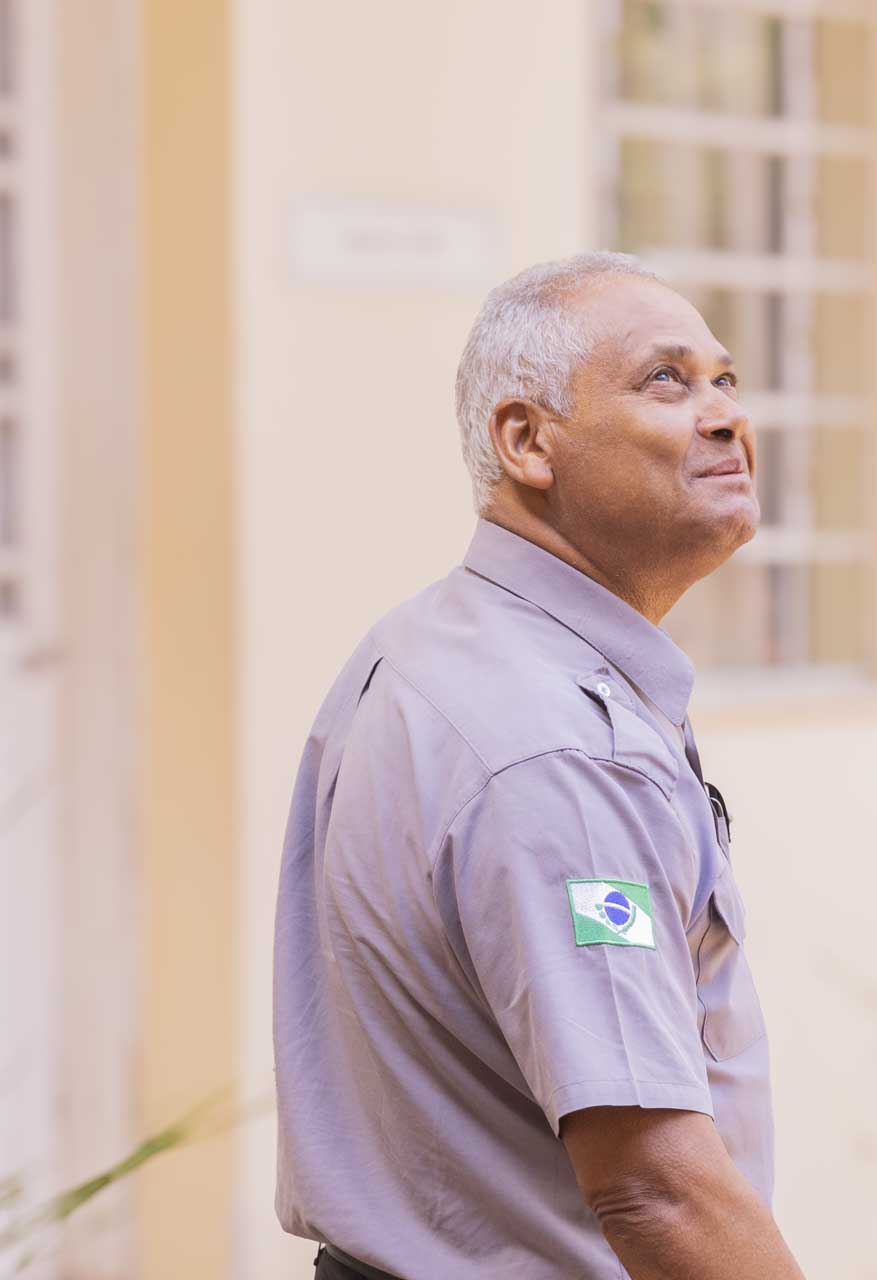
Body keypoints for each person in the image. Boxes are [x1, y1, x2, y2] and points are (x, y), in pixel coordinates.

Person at [271, 252, 805, 1279]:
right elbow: (651, 1184)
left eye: (725, 380)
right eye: (667, 380)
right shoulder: (554, 742)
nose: (725, 415)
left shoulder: (428, 645)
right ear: (527, 441)